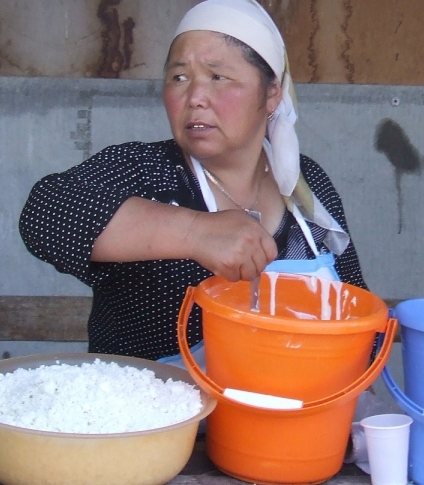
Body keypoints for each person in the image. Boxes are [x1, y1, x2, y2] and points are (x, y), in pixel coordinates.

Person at [19, 0, 369, 363]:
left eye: (218, 77)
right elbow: (45, 214)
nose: (195, 98)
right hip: (158, 417)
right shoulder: (146, 172)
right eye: (179, 77)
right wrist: (195, 232)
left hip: (288, 415)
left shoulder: (304, 186)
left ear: (271, 93)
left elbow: (357, 314)